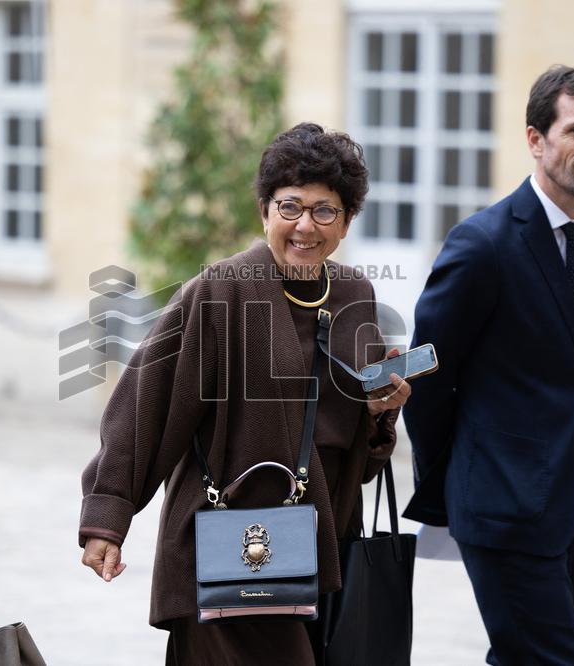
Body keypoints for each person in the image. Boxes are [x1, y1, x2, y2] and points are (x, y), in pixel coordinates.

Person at [79, 122, 411, 664]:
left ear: (347, 221)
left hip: (318, 552)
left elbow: (357, 451)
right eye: (290, 207)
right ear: (264, 211)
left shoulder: (356, 293)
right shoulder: (219, 291)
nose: (305, 225)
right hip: (231, 551)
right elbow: (146, 403)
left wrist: (377, 415)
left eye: (325, 210)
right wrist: (108, 516)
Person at [402, 65, 574, 664]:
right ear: (535, 139)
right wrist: (459, 481)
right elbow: (426, 374)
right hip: (500, 503)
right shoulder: (482, 245)